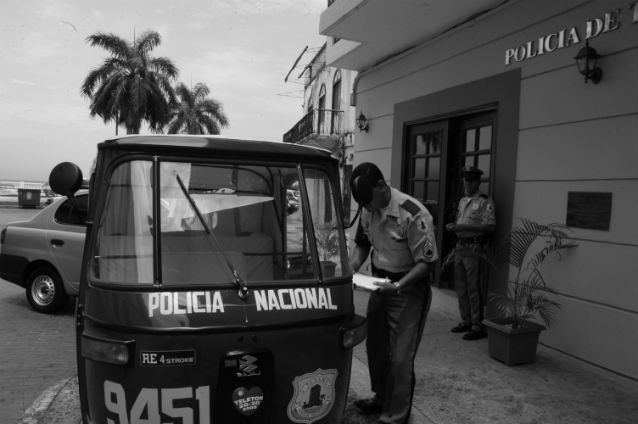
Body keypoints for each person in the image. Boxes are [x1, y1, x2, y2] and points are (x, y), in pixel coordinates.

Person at [348, 162, 438, 424]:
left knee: (400, 357)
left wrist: (398, 286)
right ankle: (381, 397)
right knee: (375, 347)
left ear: (382, 186)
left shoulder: (413, 213)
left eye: (369, 202)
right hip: (379, 285)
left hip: (408, 289)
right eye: (363, 204)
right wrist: (351, 269)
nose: (367, 209)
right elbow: (362, 246)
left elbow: (427, 263)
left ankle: (395, 415)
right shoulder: (367, 208)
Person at [445, 166, 495, 340]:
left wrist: (463, 227)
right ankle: (466, 320)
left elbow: (490, 226)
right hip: (460, 247)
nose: (467, 182)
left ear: (478, 181)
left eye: (471, 179)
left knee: (474, 287)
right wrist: (455, 227)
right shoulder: (462, 200)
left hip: (474, 248)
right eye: (465, 179)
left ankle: (477, 325)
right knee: (461, 286)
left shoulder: (484, 201)